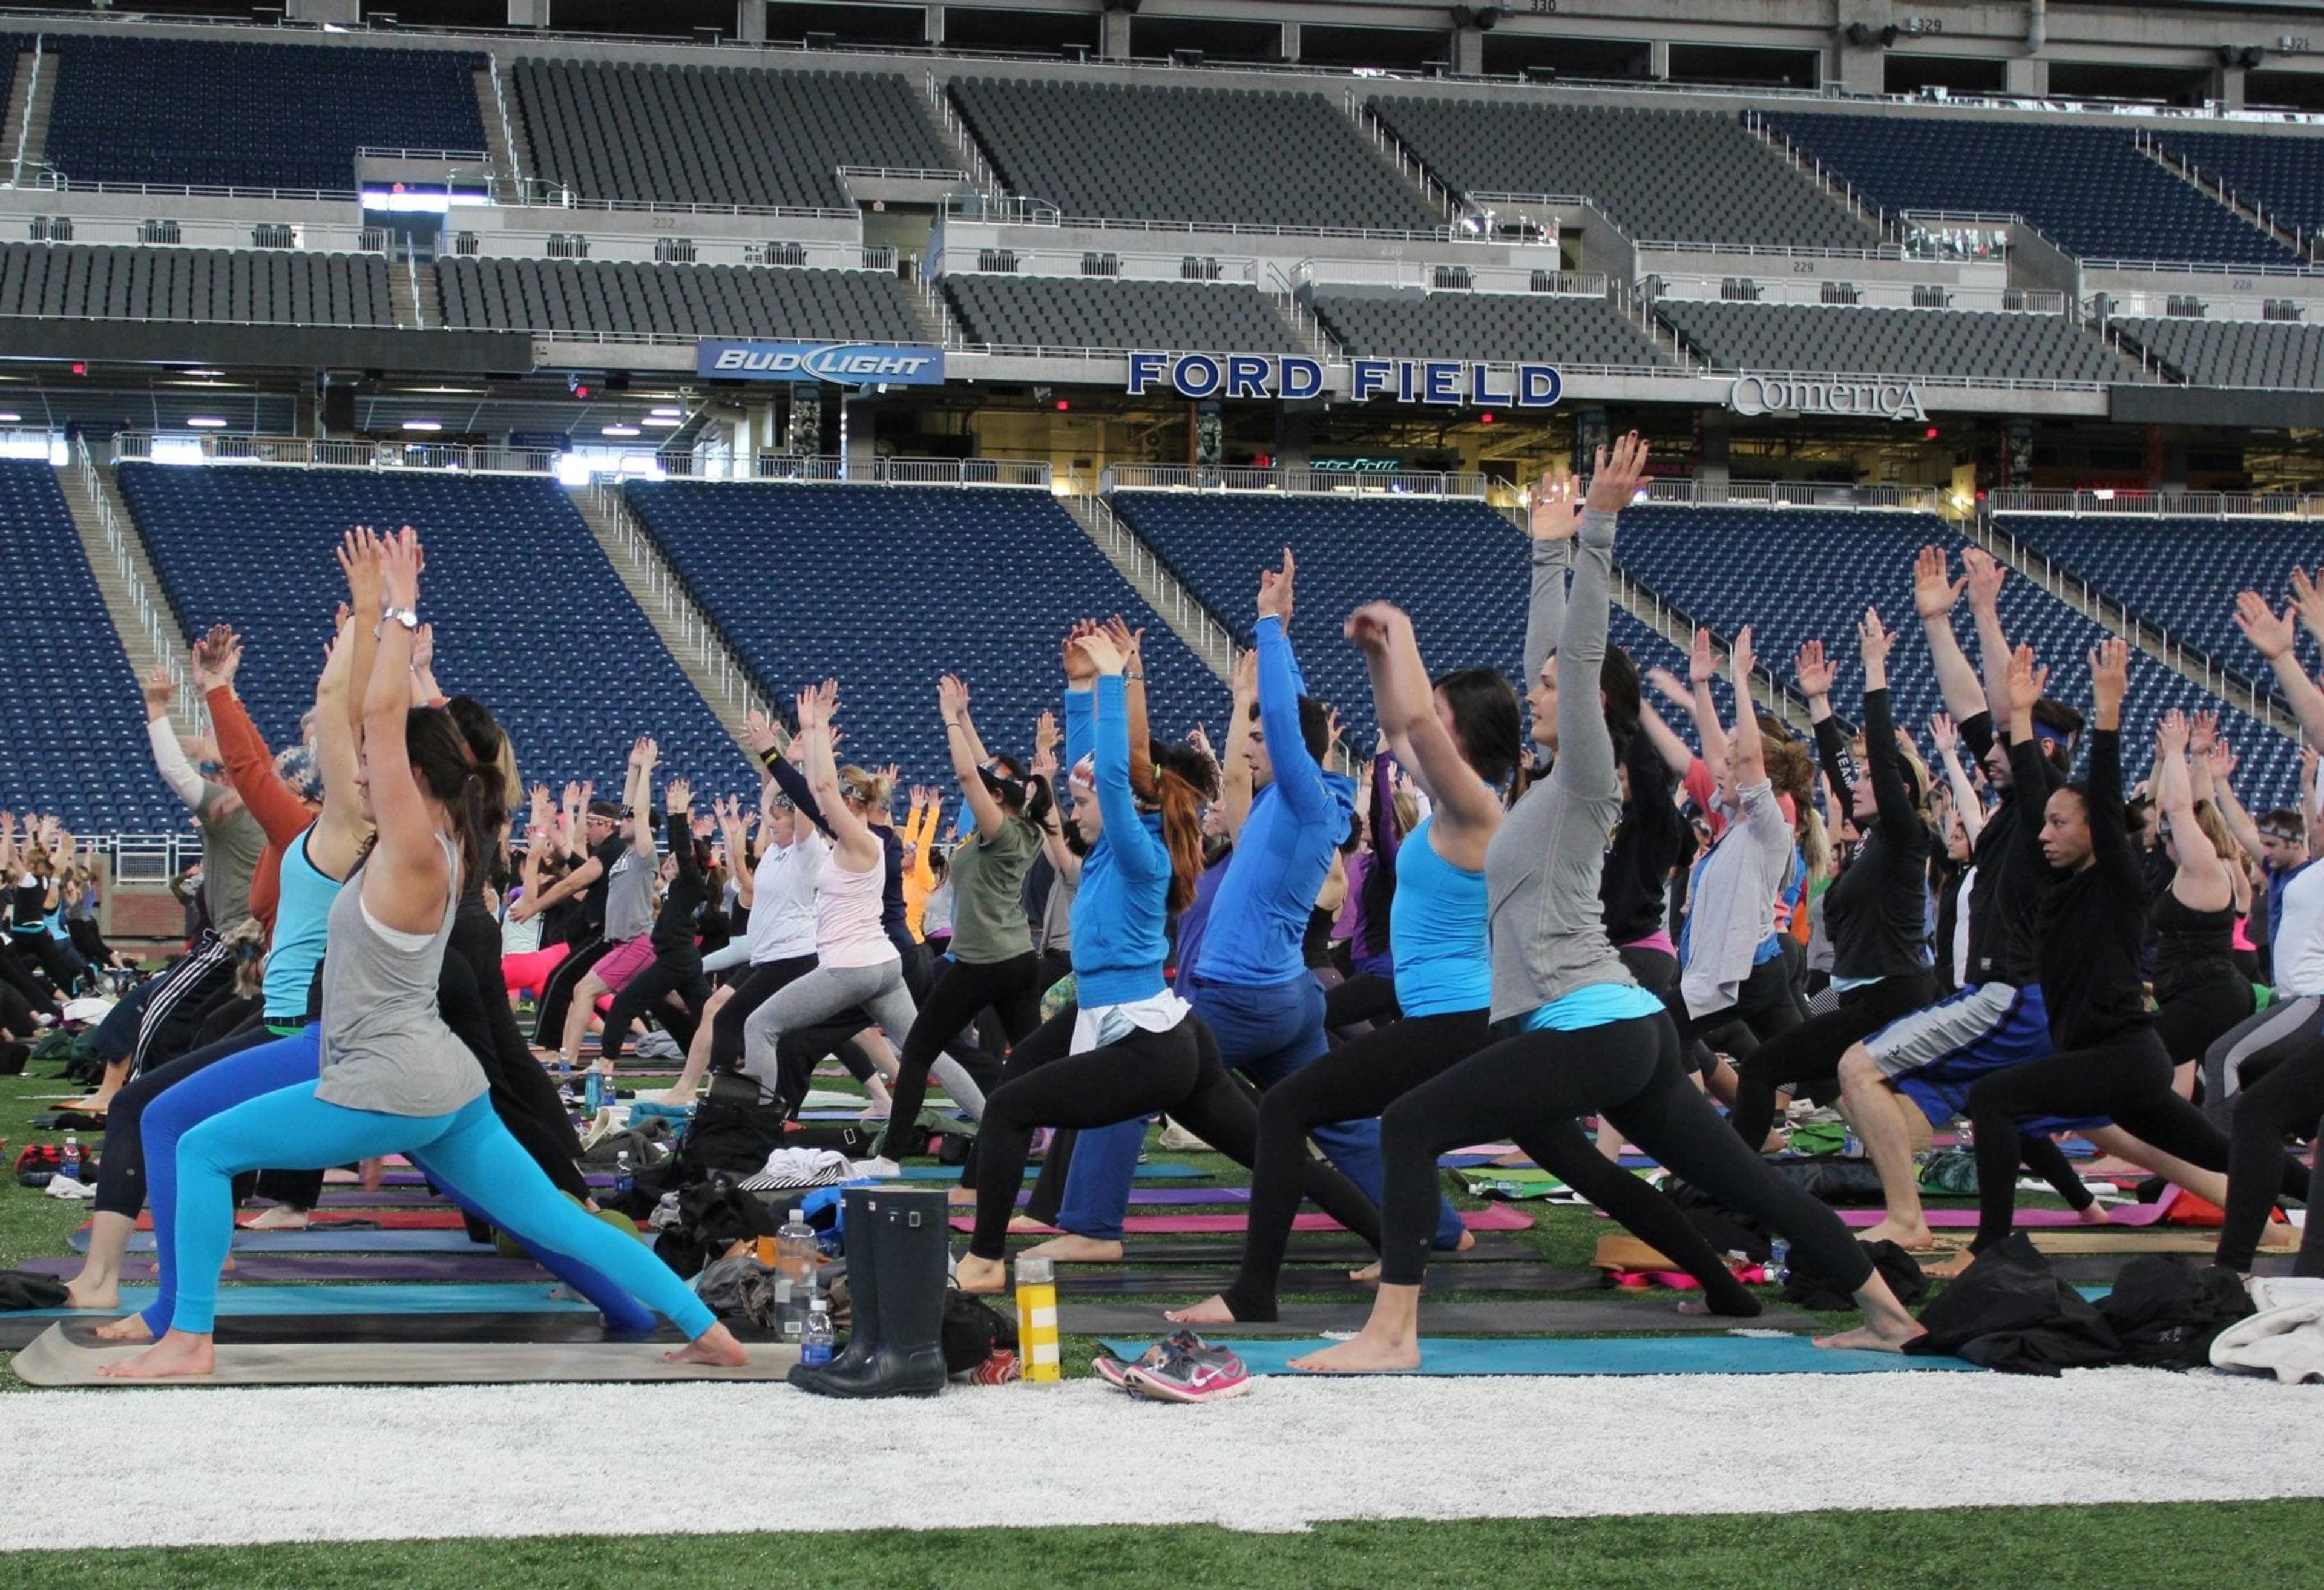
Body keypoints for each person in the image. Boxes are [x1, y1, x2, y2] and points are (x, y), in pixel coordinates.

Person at [1291, 435, 1924, 1373]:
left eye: (1551, 686)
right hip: (1622, 1027)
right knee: (1741, 1175)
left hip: (1593, 1025)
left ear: (1589, 705)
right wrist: (1548, 549)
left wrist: (1599, 532)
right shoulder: (1550, 781)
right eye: (1539, 684)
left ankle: (1393, 1333)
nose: (1537, 685)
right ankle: (1887, 1309)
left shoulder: (1590, 775)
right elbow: (1558, 649)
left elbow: (1578, 649)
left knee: (1408, 1122)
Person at [96, 528, 744, 1379]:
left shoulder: (409, 845)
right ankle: (710, 1330)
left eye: (377, 764)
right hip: (440, 1081)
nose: (359, 772)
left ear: (415, 774)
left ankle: (189, 1337)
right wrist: (370, 620)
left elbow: (375, 719)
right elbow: (359, 722)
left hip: (388, 1077)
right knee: (556, 1219)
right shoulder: (443, 838)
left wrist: (392, 608)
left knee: (201, 1147)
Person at [1048, 551, 1466, 1262]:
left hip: (1245, 995)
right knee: (1338, 1119)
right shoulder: (1296, 794)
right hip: (1285, 998)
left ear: (1288, 751)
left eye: (1253, 737)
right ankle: (1443, 1227)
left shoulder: (1307, 799)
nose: (1244, 744)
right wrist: (1283, 636)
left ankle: (1091, 1226)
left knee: (1130, 1069)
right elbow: (1294, 712)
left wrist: (1270, 626)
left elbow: (1285, 718)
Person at [954, 622, 1376, 1297]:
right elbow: (1107, 762)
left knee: (1008, 1107)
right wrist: (1082, 685)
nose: (1075, 807)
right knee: (1272, 1152)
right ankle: (1391, 1235)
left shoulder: (1135, 850)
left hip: (1150, 1045)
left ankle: (984, 1258)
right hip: (1179, 1039)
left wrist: (1117, 681)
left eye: (1083, 802)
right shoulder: (1122, 844)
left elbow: (1116, 777)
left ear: (1124, 808)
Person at [1834, 546, 2100, 1250]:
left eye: (2006, 742)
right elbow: (1973, 705)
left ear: (2037, 748)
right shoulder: (2019, 797)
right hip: (2010, 996)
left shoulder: (2044, 797)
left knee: (1857, 1066)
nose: (1987, 754)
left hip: (2007, 995)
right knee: (2120, 1122)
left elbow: (1998, 706)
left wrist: (1985, 616)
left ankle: (1907, 1218)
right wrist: (1944, 621)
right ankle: (2228, 1186)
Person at [1952, 641, 2250, 1261]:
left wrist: (2108, 712)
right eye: (2046, 824)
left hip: (2123, 1057)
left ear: (2095, 831)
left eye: (2062, 825)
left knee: (1993, 1096)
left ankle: (1992, 1245)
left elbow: (2105, 802)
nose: (2045, 833)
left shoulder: (2116, 883)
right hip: (2109, 1062)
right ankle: (2308, 1193)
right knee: (2231, 1154)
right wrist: (2022, 721)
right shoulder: (2059, 882)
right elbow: (2036, 791)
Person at [1726, 609, 1935, 1152]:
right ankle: (1878, 1149)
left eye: (1874, 779)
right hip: (1848, 992)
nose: (1858, 784)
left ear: (1901, 796)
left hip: (1889, 992)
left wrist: (1874, 669)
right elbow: (1846, 778)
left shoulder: (1905, 840)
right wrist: (1819, 704)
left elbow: (1883, 767)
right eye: (1860, 777)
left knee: (1766, 1068)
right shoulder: (1869, 842)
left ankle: (1733, 1185)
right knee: (1803, 1061)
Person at [738, 682, 974, 1118]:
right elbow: (815, 794)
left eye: (837, 803)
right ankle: (995, 1120)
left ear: (851, 804)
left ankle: (756, 1128)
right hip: (882, 963)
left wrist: (813, 732)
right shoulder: (875, 837)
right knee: (927, 1053)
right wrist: (789, 747)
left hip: (854, 965)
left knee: (760, 1025)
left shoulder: (860, 840)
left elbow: (822, 790)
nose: (827, 808)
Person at [879, 674, 1048, 1157]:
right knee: (1032, 1060)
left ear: (998, 800)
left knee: (916, 1052)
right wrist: (968, 717)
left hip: (981, 961)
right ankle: (1054, 1138)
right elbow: (985, 770)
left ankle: (891, 1155)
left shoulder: (1002, 833)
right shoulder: (1027, 825)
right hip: (1016, 957)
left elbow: (971, 776)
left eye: (993, 787)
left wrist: (950, 718)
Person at [597, 772, 714, 1066]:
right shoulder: (674, 885)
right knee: (694, 1012)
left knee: (625, 1003)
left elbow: (683, 854)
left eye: (677, 860)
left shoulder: (691, 884)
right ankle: (714, 1058)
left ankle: (606, 1063)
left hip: (677, 958)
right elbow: (681, 853)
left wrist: (676, 816)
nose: (670, 860)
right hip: (678, 958)